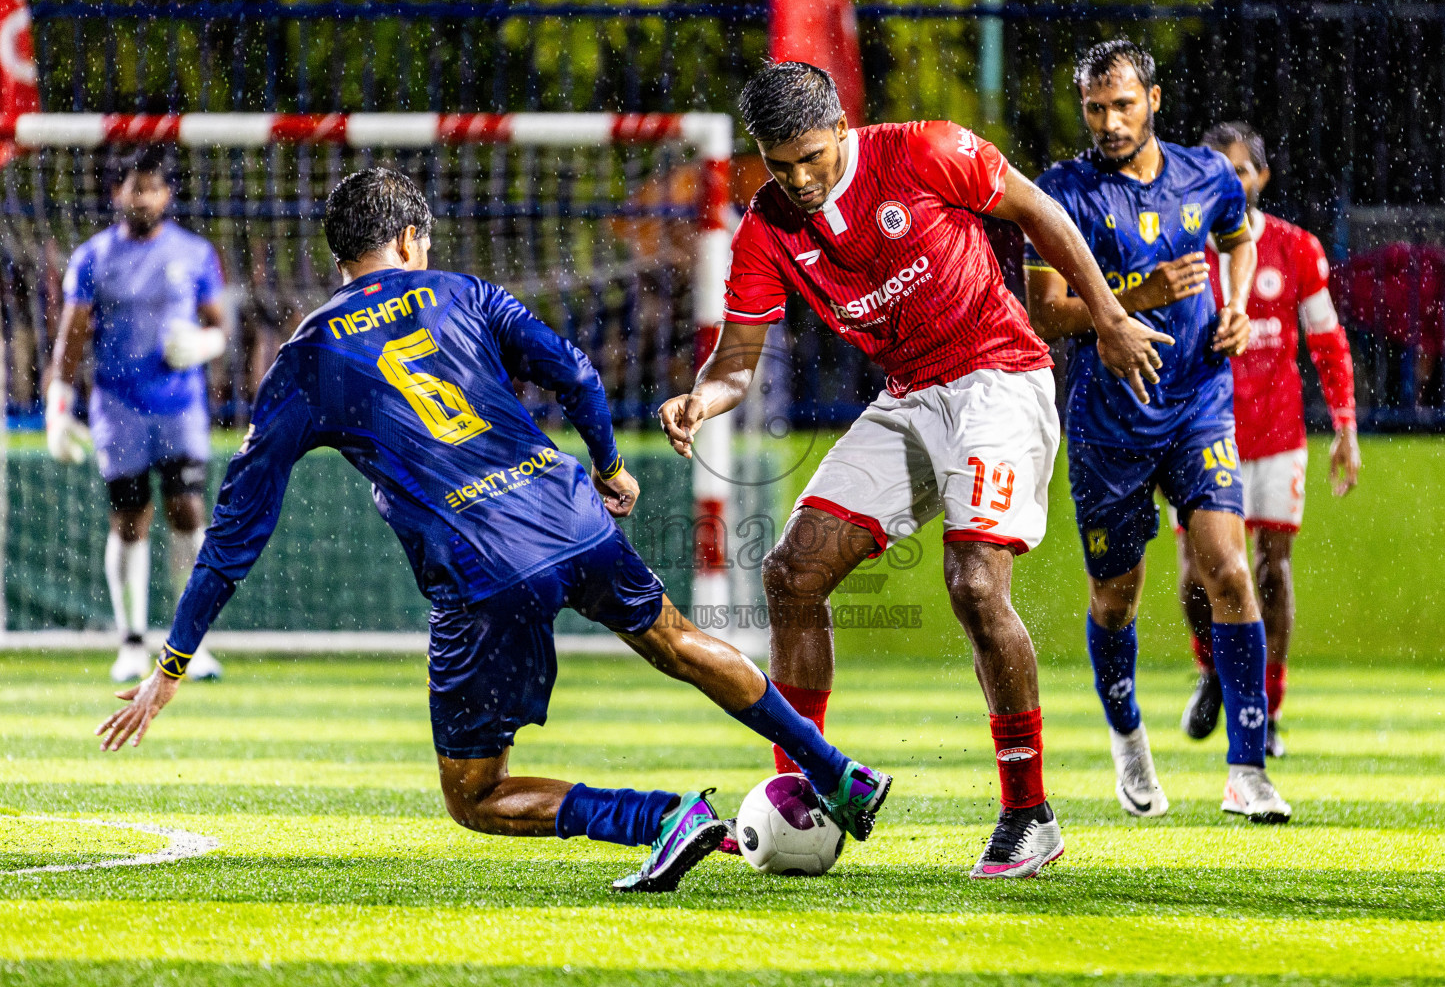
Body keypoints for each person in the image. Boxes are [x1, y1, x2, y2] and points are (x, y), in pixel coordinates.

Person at [95, 168, 892, 894]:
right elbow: (577, 370)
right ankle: (836, 770)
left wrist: (173, 660)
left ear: (345, 252)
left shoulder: (305, 359)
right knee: (679, 643)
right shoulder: (464, 292)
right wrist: (610, 466)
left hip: (482, 567)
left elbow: (236, 527)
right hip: (571, 513)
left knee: (475, 794)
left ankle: (660, 820)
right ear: (409, 240)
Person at [659, 61, 1170, 879]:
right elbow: (736, 361)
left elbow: (1039, 211)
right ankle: (806, 786)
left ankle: (1028, 813)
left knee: (974, 585)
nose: (800, 178)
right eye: (780, 163)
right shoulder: (768, 226)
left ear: (842, 128)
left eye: (814, 156)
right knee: (791, 573)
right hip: (910, 398)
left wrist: (1108, 317)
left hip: (998, 378)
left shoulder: (924, 150)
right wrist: (700, 401)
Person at [1019, 40, 1291, 823]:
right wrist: (1140, 293)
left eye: (1123, 105)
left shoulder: (1206, 175)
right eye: (1095, 108)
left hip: (1199, 399)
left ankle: (1247, 768)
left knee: (1230, 571)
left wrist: (1236, 305)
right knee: (1117, 597)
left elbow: (1239, 235)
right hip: (1109, 424)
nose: (1109, 122)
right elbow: (1046, 312)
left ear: (1155, 101)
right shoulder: (1061, 193)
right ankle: (1129, 738)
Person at [1176, 121, 1360, 758]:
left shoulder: (1297, 248)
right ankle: (1213, 672)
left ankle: (1268, 707)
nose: (1233, 180)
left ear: (1262, 177)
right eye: (1219, 170)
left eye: (1243, 170)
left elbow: (1327, 341)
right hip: (1200, 431)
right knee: (1196, 579)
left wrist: (1345, 425)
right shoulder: (1183, 249)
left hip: (1278, 435)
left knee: (1271, 572)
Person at [45, 146, 227, 683]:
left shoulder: (194, 254)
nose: (142, 197)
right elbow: (71, 337)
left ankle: (190, 643)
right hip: (119, 407)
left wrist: (205, 344)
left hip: (179, 408)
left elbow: (220, 324)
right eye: (133, 187)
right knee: (128, 518)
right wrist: (58, 406)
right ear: (116, 194)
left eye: (151, 187)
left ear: (167, 195)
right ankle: (130, 642)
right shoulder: (94, 258)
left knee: (187, 511)